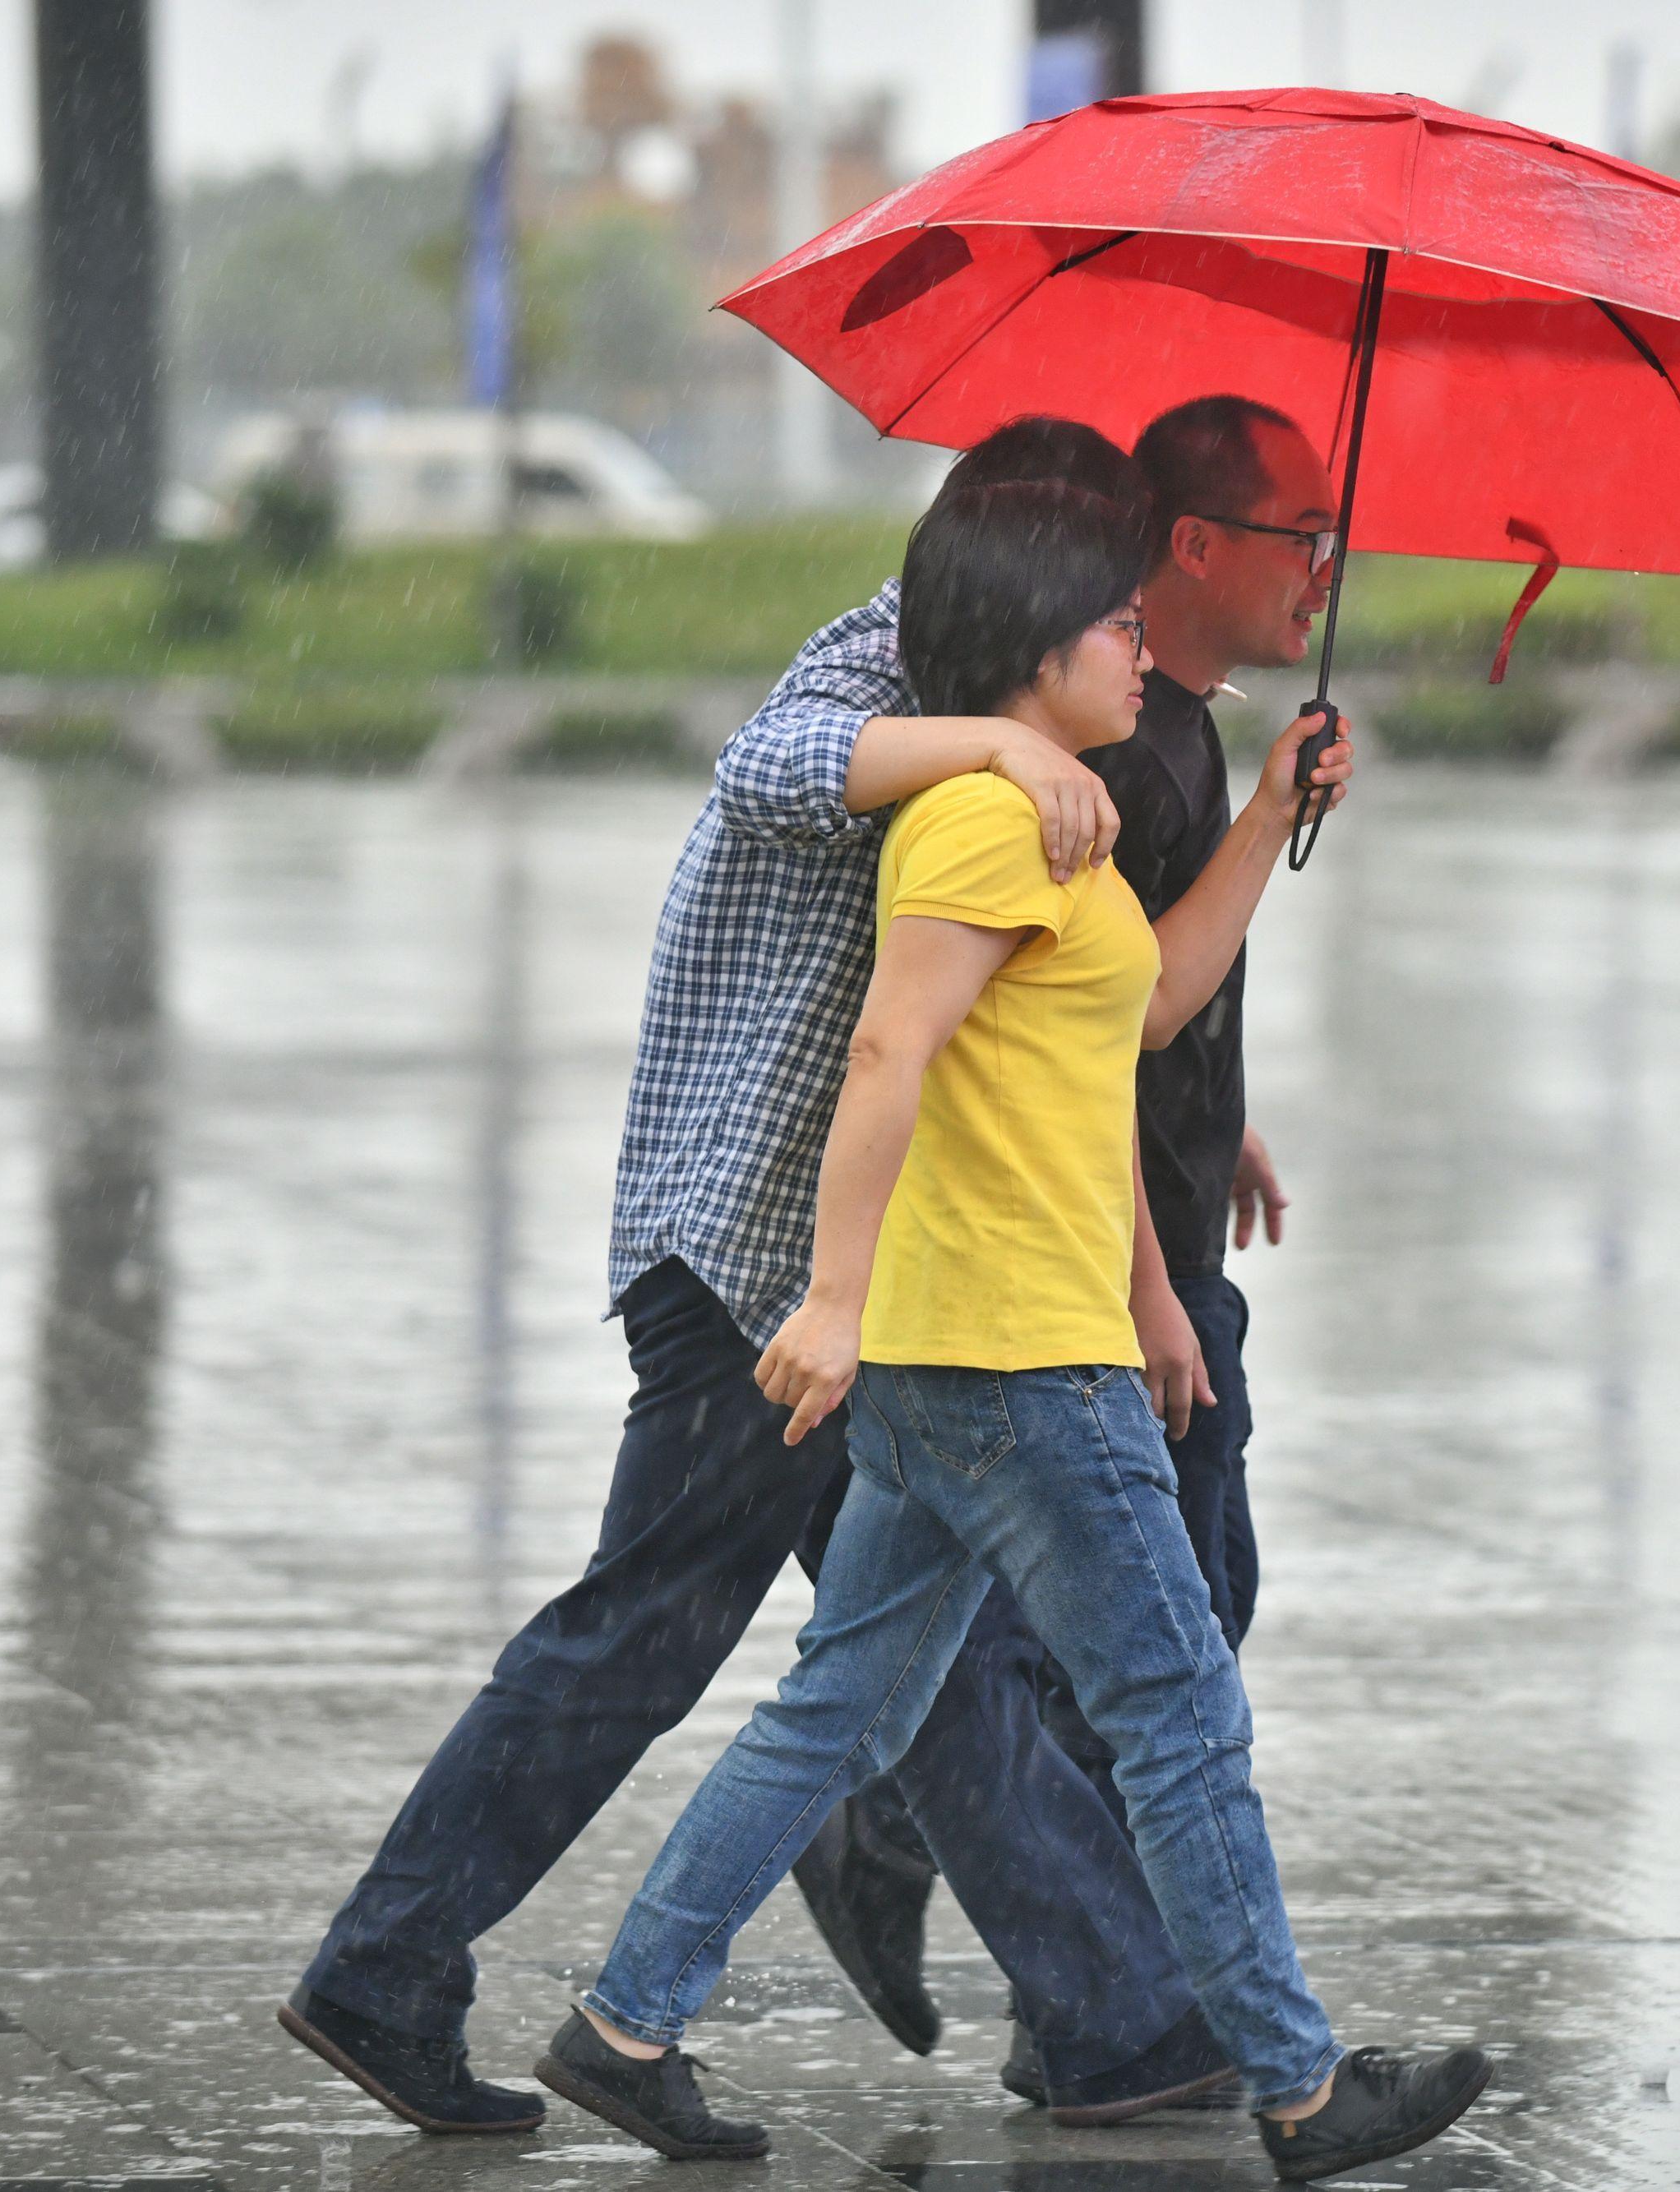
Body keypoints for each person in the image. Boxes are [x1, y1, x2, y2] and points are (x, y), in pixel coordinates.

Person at [280, 418, 1344, 2135]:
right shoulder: (895, 665)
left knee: (903, 1655)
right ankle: (409, 1966)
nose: (1129, 598)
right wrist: (992, 750)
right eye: (1098, 561)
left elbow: (1093, 1005)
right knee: (668, 1633)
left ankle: (1105, 2013)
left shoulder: (1077, 724)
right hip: (759, 1266)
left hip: (864, 1271)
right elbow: (769, 763)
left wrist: (1211, 1126)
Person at [534, 474, 1493, 2185]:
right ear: (1032, 650)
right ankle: (1295, 2087)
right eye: (1118, 625)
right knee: (1180, 1708)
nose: (1145, 648)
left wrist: (1269, 805)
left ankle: (624, 2018)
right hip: (1011, 1359)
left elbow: (1143, 1006)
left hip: (969, 1351)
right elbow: (889, 1053)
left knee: (837, 1709)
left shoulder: (1058, 815)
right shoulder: (982, 822)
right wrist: (828, 1299)